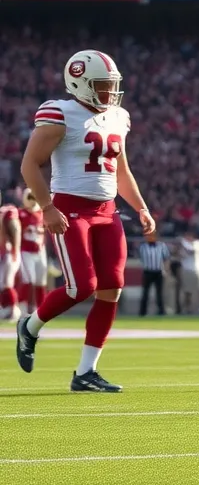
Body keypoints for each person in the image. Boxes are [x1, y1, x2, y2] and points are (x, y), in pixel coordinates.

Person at [15, 50, 156, 392]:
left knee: (112, 288)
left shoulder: (119, 116)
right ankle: (30, 326)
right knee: (82, 286)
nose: (109, 92)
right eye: (101, 85)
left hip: (107, 211)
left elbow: (121, 171)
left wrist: (140, 207)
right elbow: (29, 164)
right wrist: (47, 207)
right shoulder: (61, 113)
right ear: (79, 82)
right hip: (70, 208)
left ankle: (85, 372)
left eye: (111, 85)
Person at [18, 189, 47, 314]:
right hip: (25, 251)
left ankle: (41, 309)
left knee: (41, 281)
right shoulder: (20, 214)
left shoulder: (42, 213)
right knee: (28, 280)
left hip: (40, 250)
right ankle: (23, 308)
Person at [137, 231, 171, 316]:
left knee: (159, 293)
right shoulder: (142, 247)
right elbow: (141, 259)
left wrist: (166, 271)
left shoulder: (162, 246)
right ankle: (142, 312)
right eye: (148, 236)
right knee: (145, 293)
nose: (150, 237)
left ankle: (161, 311)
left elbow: (166, 259)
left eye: (152, 236)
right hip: (147, 272)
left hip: (158, 272)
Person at [0, 202, 19, 321]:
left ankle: (13, 309)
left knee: (6, 283)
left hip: (7, 252)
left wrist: (15, 250)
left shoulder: (6, 212)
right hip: (5, 251)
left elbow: (15, 230)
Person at [178, 230, 199, 314]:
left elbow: (191, 251)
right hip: (187, 270)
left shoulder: (198, 243)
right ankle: (187, 309)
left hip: (197, 270)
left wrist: (183, 242)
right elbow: (180, 255)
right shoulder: (183, 247)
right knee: (187, 292)